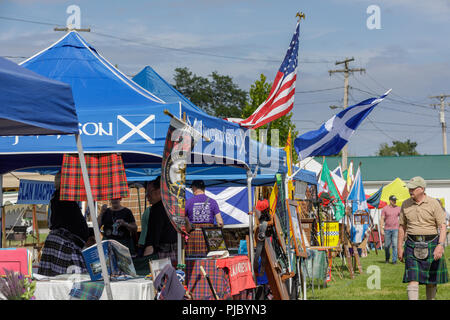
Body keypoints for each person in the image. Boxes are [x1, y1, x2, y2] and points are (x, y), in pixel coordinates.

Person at [398, 176, 448, 300]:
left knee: (431, 280)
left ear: (421, 189)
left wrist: (440, 245)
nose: (410, 191)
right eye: (409, 188)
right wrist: (399, 247)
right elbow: (402, 227)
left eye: (413, 188)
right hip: (411, 244)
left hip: (431, 243)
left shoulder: (433, 203)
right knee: (412, 278)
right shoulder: (405, 204)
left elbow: (442, 226)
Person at [38, 171, 89, 276]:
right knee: (71, 279)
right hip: (65, 243)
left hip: (61, 240)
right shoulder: (63, 198)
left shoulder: (58, 197)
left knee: (57, 277)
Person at [140, 176, 178, 265]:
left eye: (149, 192)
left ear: (159, 191)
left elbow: (152, 238)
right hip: (176, 253)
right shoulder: (175, 206)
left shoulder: (156, 209)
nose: (147, 196)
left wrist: (145, 262)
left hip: (162, 255)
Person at [185, 180, 223, 256]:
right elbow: (220, 222)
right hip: (210, 235)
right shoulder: (213, 202)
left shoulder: (188, 202)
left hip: (194, 235)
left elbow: (183, 218)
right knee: (210, 259)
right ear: (204, 188)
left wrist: (188, 227)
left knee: (193, 260)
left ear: (194, 188)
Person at [380, 195, 401, 264]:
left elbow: (402, 218)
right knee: (386, 246)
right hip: (387, 229)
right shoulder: (385, 209)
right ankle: (387, 259)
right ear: (390, 201)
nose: (395, 202)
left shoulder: (398, 208)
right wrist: (381, 229)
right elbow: (382, 219)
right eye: (393, 200)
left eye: (395, 200)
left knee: (395, 245)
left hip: (395, 229)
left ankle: (394, 260)